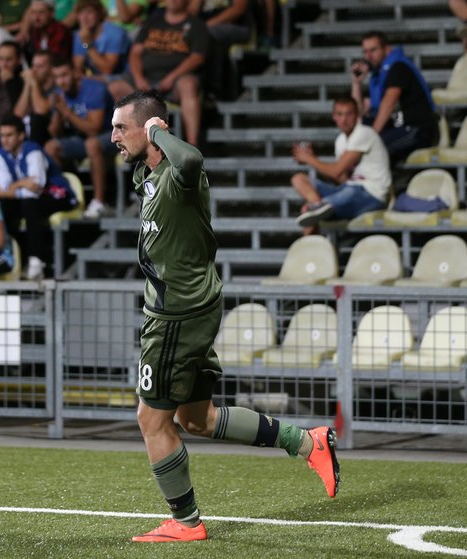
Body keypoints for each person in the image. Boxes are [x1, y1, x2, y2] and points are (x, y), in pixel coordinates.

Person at [110, 90, 340, 543]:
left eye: (122, 126)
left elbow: (192, 160)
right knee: (197, 419)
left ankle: (187, 522)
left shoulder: (181, 175)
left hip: (176, 315)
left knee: (151, 420)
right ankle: (306, 441)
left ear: (152, 128)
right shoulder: (149, 175)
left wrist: (158, 131)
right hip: (186, 309)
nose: (113, 135)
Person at [108, 0, 211, 146]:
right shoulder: (152, 22)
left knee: (189, 84)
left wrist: (172, 77)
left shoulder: (196, 25)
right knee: (115, 86)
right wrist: (138, 78)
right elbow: (135, 53)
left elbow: (197, 57)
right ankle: (134, 142)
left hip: (176, 80)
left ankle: (192, 145)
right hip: (146, 79)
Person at [0, 115, 77, 280]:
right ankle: (10, 257)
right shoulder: (1, 154)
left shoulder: (33, 150)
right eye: (2, 135)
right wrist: (22, 184)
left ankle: (36, 261)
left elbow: (36, 187)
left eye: (9, 135)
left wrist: (13, 186)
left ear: (21, 136)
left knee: (30, 204)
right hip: (30, 199)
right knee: (3, 206)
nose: (5, 140)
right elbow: (1, 190)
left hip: (58, 195)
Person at [292, 97, 391, 229]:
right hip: (349, 188)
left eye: (349, 114)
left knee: (316, 209)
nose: (344, 120)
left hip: (371, 194)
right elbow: (341, 177)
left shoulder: (364, 133)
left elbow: (336, 170)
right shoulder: (340, 141)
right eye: (340, 114)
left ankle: (317, 207)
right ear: (334, 117)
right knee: (299, 179)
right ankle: (317, 206)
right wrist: (312, 157)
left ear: (357, 115)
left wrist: (309, 159)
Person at [350, 31, 437, 163]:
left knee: (372, 150)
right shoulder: (377, 76)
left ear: (387, 48)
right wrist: (356, 83)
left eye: (373, 50)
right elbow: (357, 113)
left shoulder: (398, 67)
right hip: (395, 128)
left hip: (416, 130)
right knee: (354, 140)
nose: (368, 56)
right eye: (365, 51)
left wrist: (371, 138)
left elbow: (388, 104)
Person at [45, 57, 116, 218]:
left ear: (76, 73)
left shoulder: (94, 89)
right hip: (81, 138)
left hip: (111, 135)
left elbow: (94, 129)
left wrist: (67, 112)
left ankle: (99, 202)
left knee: (92, 144)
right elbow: (55, 133)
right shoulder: (59, 94)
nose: (60, 81)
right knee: (51, 147)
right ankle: (64, 196)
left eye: (64, 75)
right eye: (56, 77)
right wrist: (58, 111)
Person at [72, 0, 130, 80]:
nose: (85, 18)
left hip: (121, 77)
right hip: (97, 77)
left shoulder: (115, 33)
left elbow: (108, 70)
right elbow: (78, 68)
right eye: (81, 13)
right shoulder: (80, 35)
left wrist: (87, 44)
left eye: (89, 12)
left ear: (99, 13)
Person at [18, 0, 72, 65]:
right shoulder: (34, 32)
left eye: (41, 12)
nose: (36, 18)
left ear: (51, 13)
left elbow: (56, 62)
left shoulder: (60, 31)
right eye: (33, 12)